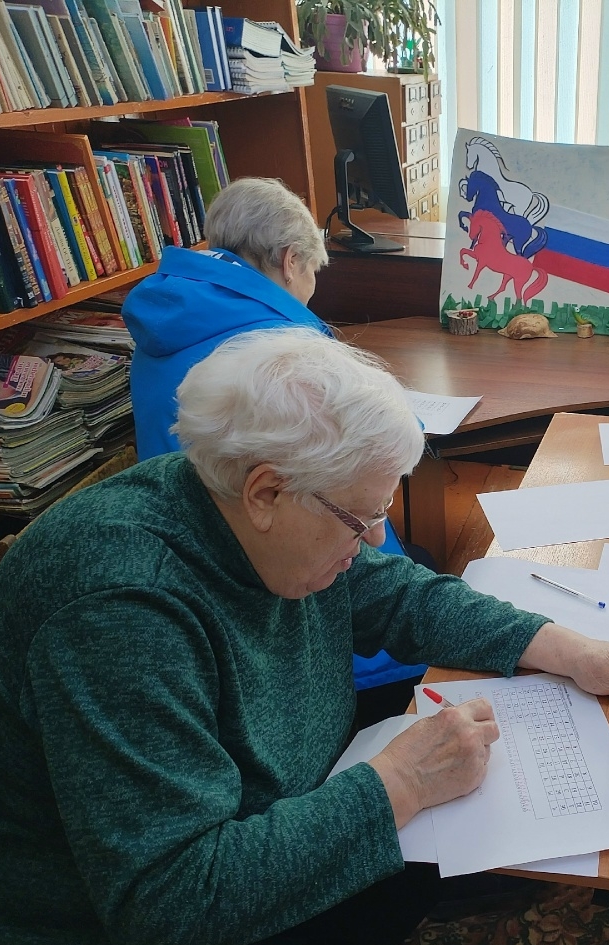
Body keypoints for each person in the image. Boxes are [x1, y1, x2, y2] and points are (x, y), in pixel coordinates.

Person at [0, 328, 609, 945]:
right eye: (359, 519)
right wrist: (399, 784)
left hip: (260, 813)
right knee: (483, 860)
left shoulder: (247, 507)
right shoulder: (120, 612)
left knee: (482, 841)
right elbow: (170, 903)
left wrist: (573, 650)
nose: (371, 540)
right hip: (87, 929)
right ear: (267, 491)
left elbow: (395, 592)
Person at [122, 176, 424, 708]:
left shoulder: (163, 319)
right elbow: (368, 470)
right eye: (313, 273)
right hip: (287, 584)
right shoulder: (280, 342)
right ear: (290, 261)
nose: (312, 291)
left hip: (199, 554)